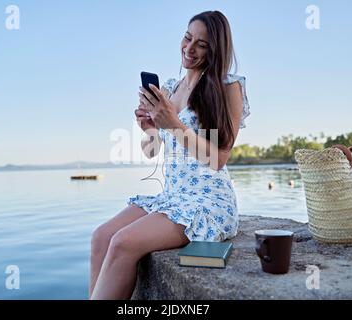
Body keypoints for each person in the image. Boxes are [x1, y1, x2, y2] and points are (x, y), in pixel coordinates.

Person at [90, 10, 250, 300]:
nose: (189, 49)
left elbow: (219, 158)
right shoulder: (170, 90)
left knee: (123, 243)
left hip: (207, 202)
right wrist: (149, 128)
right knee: (101, 237)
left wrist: (173, 124)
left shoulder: (228, 87)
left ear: (216, 49)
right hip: (173, 196)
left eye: (201, 44)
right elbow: (152, 151)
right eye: (187, 38)